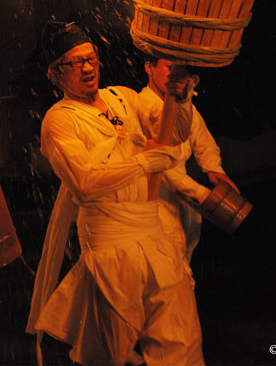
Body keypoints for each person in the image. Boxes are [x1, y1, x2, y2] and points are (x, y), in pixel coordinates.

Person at [26, 21, 204, 366]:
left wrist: (179, 100)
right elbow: (85, 182)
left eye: (91, 58)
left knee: (181, 342)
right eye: (75, 62)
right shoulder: (59, 120)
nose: (88, 68)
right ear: (54, 74)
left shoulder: (122, 97)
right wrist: (144, 162)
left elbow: (176, 133)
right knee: (111, 353)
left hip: (155, 237)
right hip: (110, 248)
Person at [139, 55, 240, 264]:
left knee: (185, 259)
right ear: (149, 67)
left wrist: (213, 168)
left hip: (185, 200)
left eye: (180, 70)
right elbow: (165, 170)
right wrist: (203, 195)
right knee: (168, 266)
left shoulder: (183, 104)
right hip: (156, 198)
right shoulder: (143, 106)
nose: (175, 76)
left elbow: (202, 137)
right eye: (169, 67)